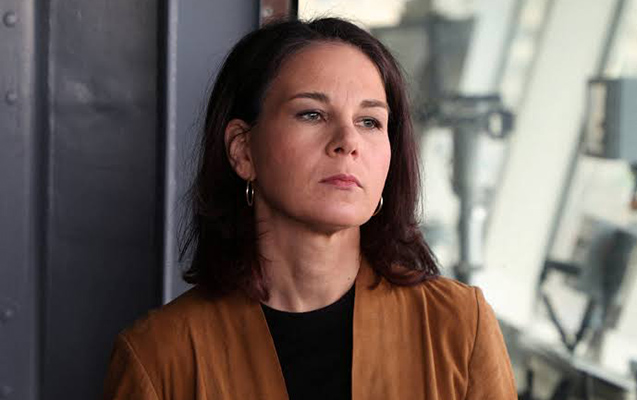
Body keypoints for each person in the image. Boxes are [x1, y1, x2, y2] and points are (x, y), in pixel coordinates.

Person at [103, 17, 517, 400]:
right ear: (243, 150)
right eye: (313, 114)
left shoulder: (460, 328)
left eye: (370, 121)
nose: (348, 141)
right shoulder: (158, 358)